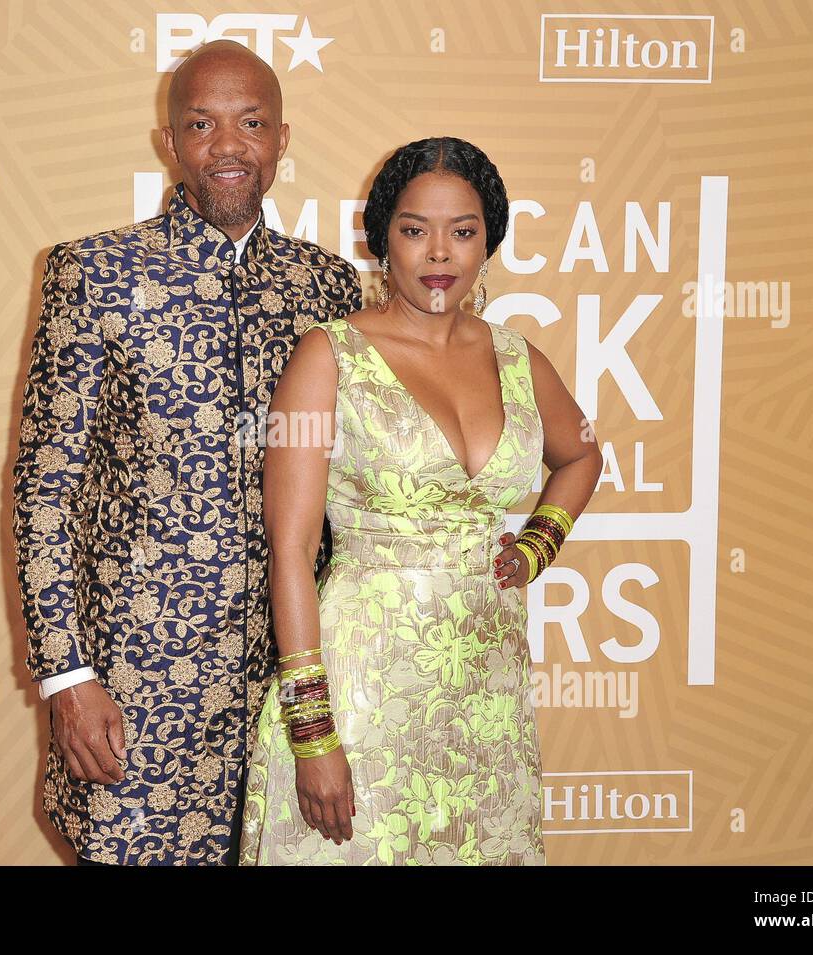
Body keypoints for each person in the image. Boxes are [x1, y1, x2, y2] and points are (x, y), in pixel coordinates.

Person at [11, 40, 361, 865]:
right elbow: (43, 489)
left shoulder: (329, 288)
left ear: (282, 139)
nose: (228, 146)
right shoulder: (93, 273)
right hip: (137, 688)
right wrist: (66, 676)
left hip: (291, 686)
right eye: (201, 124)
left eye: (251, 123)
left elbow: (352, 487)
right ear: (169, 142)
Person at [238, 137, 603, 865]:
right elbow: (291, 550)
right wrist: (313, 732)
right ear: (382, 241)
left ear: (488, 241)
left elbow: (583, 453)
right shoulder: (325, 357)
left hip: (487, 699)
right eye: (414, 230)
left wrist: (538, 544)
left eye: (462, 231)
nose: (439, 253)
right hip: (359, 692)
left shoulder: (518, 358)